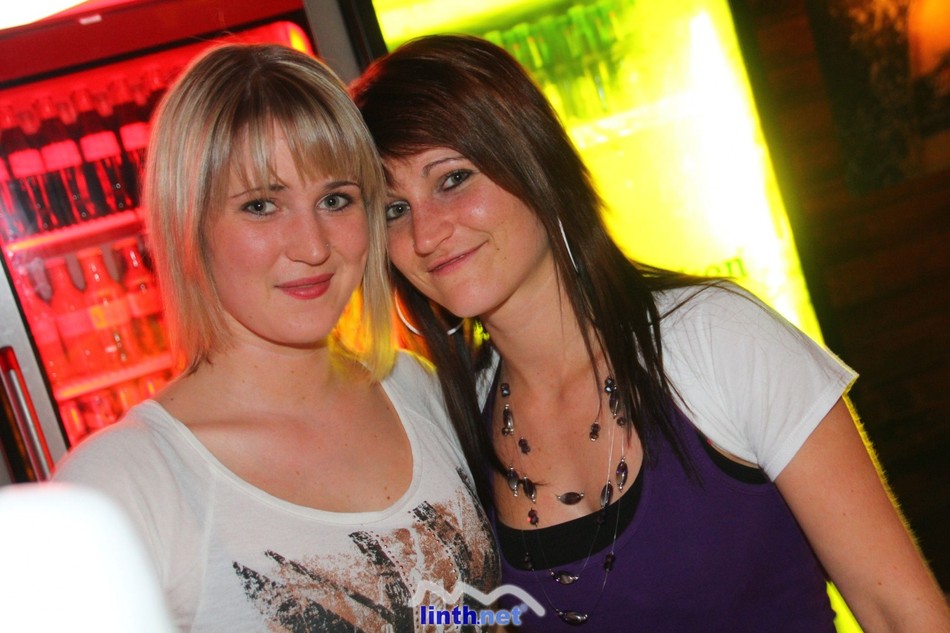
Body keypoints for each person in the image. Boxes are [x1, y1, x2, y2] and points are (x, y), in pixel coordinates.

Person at [351, 34, 950, 632]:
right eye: (394, 210)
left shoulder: (712, 338)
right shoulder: (454, 422)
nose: (425, 234)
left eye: (452, 179)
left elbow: (902, 615)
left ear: (535, 160)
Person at [53, 43, 499, 631]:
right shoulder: (122, 484)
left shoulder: (418, 390)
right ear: (187, 223)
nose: (313, 247)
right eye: (261, 205)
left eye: (335, 200)